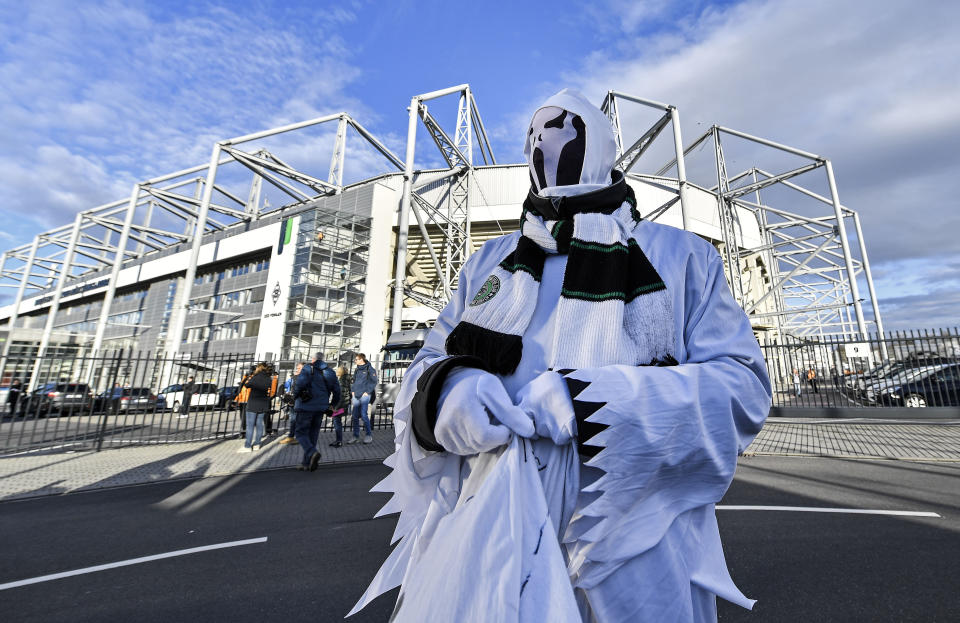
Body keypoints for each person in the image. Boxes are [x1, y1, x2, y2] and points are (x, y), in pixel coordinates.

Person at [351, 89, 772, 622]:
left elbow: (741, 388)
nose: (540, 143)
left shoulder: (683, 257)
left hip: (633, 554)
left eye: (560, 130)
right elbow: (427, 364)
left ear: (597, 144)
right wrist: (445, 393)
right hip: (486, 535)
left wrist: (596, 401)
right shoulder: (490, 261)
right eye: (533, 133)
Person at [293, 352, 340, 471]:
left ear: (313, 359)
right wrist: (332, 405)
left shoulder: (308, 368)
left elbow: (300, 384)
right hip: (321, 408)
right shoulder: (330, 372)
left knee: (300, 433)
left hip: (305, 406)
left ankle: (312, 452)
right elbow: (337, 391)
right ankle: (306, 463)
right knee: (313, 435)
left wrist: (294, 396)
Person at [238, 362, 275, 452]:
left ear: (259, 368)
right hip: (263, 404)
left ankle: (247, 446)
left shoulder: (255, 377)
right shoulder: (269, 378)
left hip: (253, 403)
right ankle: (257, 444)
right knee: (259, 424)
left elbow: (246, 385)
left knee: (250, 425)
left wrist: (248, 376)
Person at [347, 353, 377, 444]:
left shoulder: (370, 369)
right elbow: (353, 381)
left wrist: (367, 392)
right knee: (355, 416)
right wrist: (352, 391)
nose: (355, 361)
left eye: (356, 359)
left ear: (361, 360)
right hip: (356, 395)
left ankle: (368, 435)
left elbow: (374, 381)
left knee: (363, 415)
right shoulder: (357, 369)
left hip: (365, 395)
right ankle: (356, 436)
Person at [278, 363, 303, 445]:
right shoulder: (295, 377)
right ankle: (291, 436)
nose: (297, 370)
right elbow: (289, 385)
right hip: (293, 401)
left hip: (300, 402)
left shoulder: (304, 377)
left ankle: (296, 437)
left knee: (296, 420)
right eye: (297, 368)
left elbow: (299, 388)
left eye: (299, 368)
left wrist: (295, 377)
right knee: (293, 420)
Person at [329, 364, 352, 447]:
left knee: (336, 421)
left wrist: (336, 408)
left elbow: (341, 396)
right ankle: (338, 440)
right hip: (344, 405)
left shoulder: (342, 381)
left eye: (337, 370)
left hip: (340, 406)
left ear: (340, 372)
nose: (336, 372)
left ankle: (339, 441)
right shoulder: (346, 380)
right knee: (337, 422)